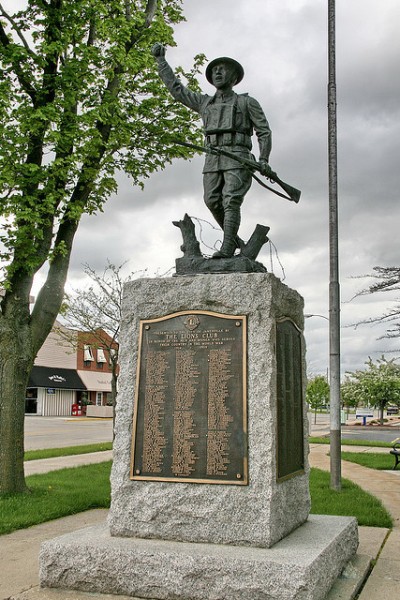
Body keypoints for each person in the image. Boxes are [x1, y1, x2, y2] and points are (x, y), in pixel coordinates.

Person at [151, 43, 272, 258]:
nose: (217, 72)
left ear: (234, 76)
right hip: (213, 157)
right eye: (214, 69)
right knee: (211, 201)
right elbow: (177, 90)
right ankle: (234, 240)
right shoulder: (204, 103)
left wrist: (264, 159)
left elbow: (264, 131)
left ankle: (226, 248)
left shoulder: (247, 102)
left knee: (231, 199)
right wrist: (161, 61)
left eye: (223, 68)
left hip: (238, 156)